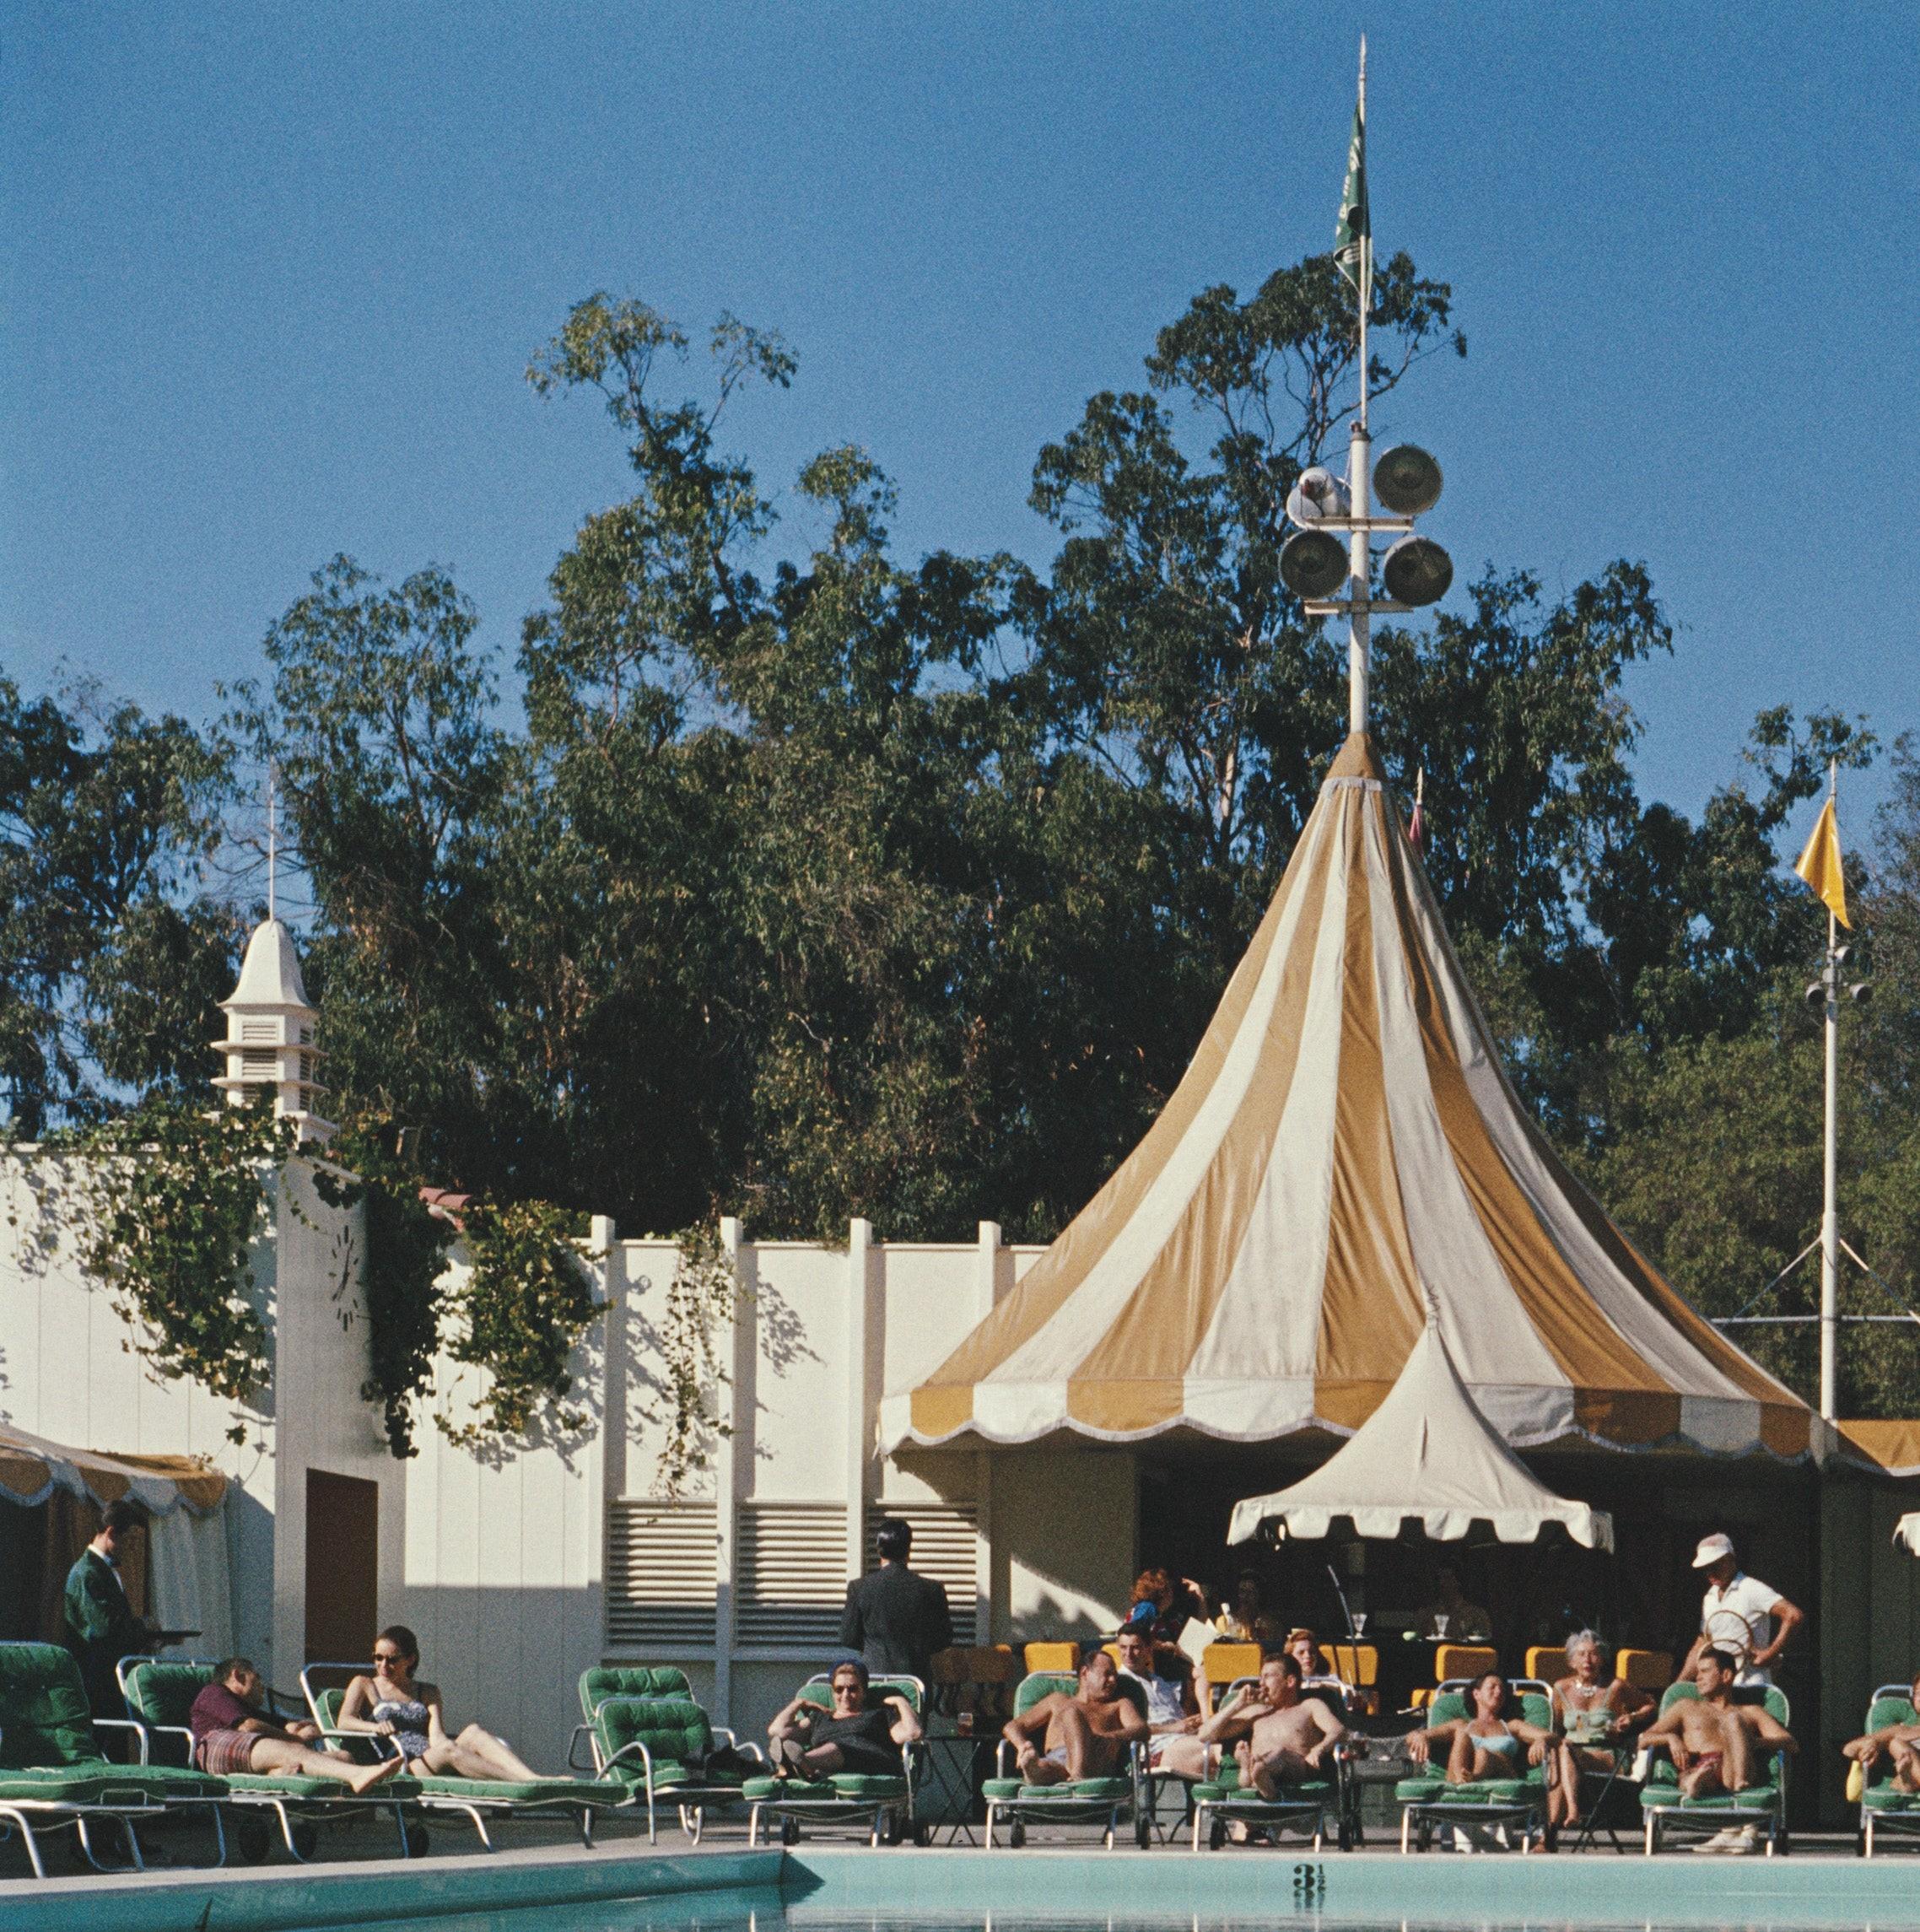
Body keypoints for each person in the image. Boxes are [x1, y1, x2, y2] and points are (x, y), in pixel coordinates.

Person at [336, 1624, 556, 1780]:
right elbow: (343, 1722)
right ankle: (520, 1783)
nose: (384, 1665)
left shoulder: (427, 1691)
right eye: (378, 1658)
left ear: (410, 1660)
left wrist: (450, 1749)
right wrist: (374, 1726)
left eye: (392, 1660)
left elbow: (437, 1736)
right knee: (450, 1748)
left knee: (473, 1732)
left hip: (429, 1755)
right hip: (402, 1764)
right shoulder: (365, 1683)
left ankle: (531, 1777)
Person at [1640, 1647, 1795, 1854]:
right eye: (1698, 1672)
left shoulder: (1750, 1712)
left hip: (1735, 1769)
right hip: (1699, 1766)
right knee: (1692, 1775)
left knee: (1733, 1719)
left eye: (1704, 1672)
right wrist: (1671, 1737)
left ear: (1726, 1675)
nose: (1697, 1678)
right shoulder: (1686, 1707)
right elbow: (1643, 1739)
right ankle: (1703, 1789)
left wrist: (1752, 1742)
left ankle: (1737, 1797)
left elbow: (1790, 1742)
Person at [188, 1657, 403, 1794]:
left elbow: (282, 1725)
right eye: (257, 1678)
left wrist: (298, 1728)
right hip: (216, 1745)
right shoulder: (214, 1693)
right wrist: (296, 1738)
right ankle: (357, 1775)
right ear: (238, 1675)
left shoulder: (246, 1707)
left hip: (247, 1752)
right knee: (294, 1750)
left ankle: (281, 1773)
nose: (263, 1686)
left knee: (343, 1757)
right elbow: (247, 1726)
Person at [1407, 1670, 1561, 1813]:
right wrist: (1420, 1736)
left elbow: (1554, 1737)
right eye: (1492, 1687)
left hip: (1503, 1774)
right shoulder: (1462, 1725)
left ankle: (1473, 1779)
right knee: (1462, 1733)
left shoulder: (1512, 1726)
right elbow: (1413, 1736)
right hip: (1457, 1776)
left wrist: (1542, 1740)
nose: (1499, 1692)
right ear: (1477, 1694)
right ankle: (1464, 1779)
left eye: (1502, 1689)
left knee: (1483, 1753)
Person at [1197, 1650, 1345, 1799]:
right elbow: (1205, 1735)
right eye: (1261, 1677)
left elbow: (1337, 1730)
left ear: (1290, 1681)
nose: (1261, 1683)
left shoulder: (1309, 1706)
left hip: (1295, 1766)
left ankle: (1260, 1774)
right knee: (1258, 1759)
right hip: (1259, 1763)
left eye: (1267, 1677)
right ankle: (1259, 1777)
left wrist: (1319, 1749)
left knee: (1278, 1753)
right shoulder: (1257, 1711)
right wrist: (1237, 1704)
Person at [63, 1499, 156, 1717]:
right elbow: (104, 1629)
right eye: (129, 1539)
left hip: (111, 1678)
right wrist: (144, 1627)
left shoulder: (102, 1570)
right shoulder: (87, 1572)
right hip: (96, 1681)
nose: (131, 1548)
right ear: (112, 1533)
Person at [1551, 1628, 1654, 1827]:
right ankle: (1567, 1815)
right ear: (1572, 1662)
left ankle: (1562, 1821)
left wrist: (1632, 1717)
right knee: (1562, 1753)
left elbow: (1650, 1705)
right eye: (1581, 1654)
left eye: (1593, 1654)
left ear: (1602, 1659)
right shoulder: (1560, 1688)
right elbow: (1556, 1729)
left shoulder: (1615, 1687)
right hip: (1571, 1755)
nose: (1587, 1660)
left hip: (1606, 1753)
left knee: (1565, 1755)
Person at [1001, 1649, 1146, 1786]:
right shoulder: (1057, 1700)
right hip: (1058, 1760)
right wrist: (1022, 1746)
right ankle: (1033, 1768)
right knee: (1044, 1766)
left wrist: (1113, 1737)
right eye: (1107, 1674)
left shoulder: (1118, 1704)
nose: (1113, 1680)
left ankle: (1078, 1775)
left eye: (1115, 1675)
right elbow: (1012, 1726)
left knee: (1071, 1713)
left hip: (1096, 1758)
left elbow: (1142, 1729)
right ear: (1084, 1673)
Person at [839, 1519, 953, 1687]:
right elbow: (944, 1638)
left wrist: (873, 1648)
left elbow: (847, 1637)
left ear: (879, 1550)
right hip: (916, 1679)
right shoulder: (932, 1589)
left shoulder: (860, 1588)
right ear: (908, 1550)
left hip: (874, 1677)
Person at [1680, 1534, 1804, 1688]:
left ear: (1730, 1559)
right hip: (1722, 1689)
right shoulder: (1710, 1597)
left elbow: (1793, 1615)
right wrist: (1680, 1684)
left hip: (1751, 1686)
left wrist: (1771, 1653)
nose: (1710, 1572)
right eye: (1706, 1567)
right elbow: (1703, 1642)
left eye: (1715, 1565)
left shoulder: (1751, 1588)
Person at [767, 1658, 921, 1779]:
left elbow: (913, 1733)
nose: (846, 1695)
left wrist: (900, 1701)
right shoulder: (820, 1718)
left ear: (864, 1692)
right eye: (839, 1689)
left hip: (869, 1762)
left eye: (853, 1689)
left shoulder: (879, 1715)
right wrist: (799, 1703)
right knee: (827, 1747)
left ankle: (798, 1763)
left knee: (837, 1747)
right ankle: (797, 1764)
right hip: (828, 1765)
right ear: (833, 1693)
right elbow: (777, 1731)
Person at [1114, 1624, 1205, 1778]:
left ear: (1148, 1649)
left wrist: (1192, 1723)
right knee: (1217, 1748)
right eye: (1123, 1647)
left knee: (1228, 1738)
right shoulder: (1121, 1683)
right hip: (1154, 1751)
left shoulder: (1159, 1681)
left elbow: (1179, 1721)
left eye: (1135, 1647)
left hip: (1181, 1741)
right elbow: (1129, 1730)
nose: (1128, 1654)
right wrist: (1174, 1728)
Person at [1842, 1670, 1920, 1795]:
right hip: (1913, 1770)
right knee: (1896, 1744)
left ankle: (1906, 1781)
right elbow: (1849, 1750)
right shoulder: (1902, 1731)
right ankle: (1905, 1780)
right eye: (1918, 1693)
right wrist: (1869, 1748)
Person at [1128, 1567, 1211, 1643]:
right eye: (1170, 1588)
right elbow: (1132, 1635)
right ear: (1162, 1590)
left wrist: (1201, 1598)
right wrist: (1163, 1646)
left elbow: (1197, 1635)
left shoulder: (1164, 1615)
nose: (1172, 1593)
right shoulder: (1147, 1607)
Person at [1414, 1564, 1492, 1642]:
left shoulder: (1476, 1614)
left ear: (1458, 1582)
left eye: (1447, 1578)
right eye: (1439, 1579)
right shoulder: (1427, 1614)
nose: (1442, 1583)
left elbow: (1485, 1641)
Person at [1218, 1572, 1281, 1647]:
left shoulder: (1269, 1623)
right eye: (1242, 1591)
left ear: (1259, 1595)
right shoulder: (1224, 1621)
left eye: (1251, 1592)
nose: (1246, 1596)